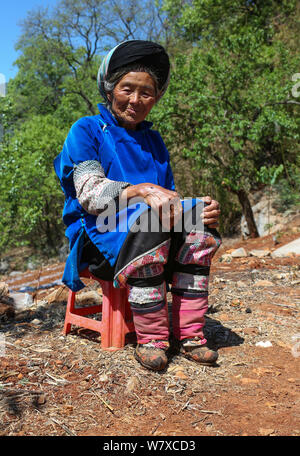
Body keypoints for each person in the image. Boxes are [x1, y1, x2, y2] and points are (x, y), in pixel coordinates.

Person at [54, 40, 221, 371]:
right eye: (126, 89)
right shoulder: (86, 129)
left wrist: (195, 208)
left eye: (146, 93)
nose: (135, 100)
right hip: (98, 236)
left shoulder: (153, 140)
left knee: (199, 231)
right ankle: (153, 337)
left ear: (156, 99)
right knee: (152, 227)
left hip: (149, 227)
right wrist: (141, 190)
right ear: (110, 88)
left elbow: (166, 198)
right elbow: (91, 196)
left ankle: (189, 334)